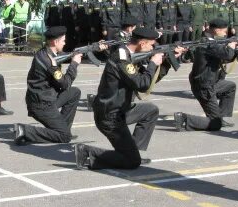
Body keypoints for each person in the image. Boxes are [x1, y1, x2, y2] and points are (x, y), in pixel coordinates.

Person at [74, 26, 184, 170]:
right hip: (109, 116)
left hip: (121, 110)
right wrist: (152, 63)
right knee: (132, 162)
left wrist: (167, 62)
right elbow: (142, 84)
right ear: (142, 43)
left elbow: (148, 79)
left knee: (150, 110)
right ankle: (88, 152)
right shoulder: (122, 58)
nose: (153, 47)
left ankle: (132, 151)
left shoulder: (130, 56)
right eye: (152, 44)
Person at [168, 18, 238, 131]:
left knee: (230, 87)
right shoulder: (208, 43)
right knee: (215, 125)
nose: (225, 34)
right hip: (204, 86)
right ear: (217, 30)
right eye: (224, 31)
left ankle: (220, 116)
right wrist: (231, 45)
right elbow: (227, 55)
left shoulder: (211, 41)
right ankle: (184, 119)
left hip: (210, 82)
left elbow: (223, 56)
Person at [13, 26, 82, 145]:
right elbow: (65, 84)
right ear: (55, 42)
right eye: (63, 41)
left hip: (45, 98)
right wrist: (74, 64)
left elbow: (64, 56)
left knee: (74, 93)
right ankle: (25, 131)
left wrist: (93, 48)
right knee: (64, 137)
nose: (65, 43)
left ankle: (62, 129)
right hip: (41, 104)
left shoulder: (46, 52)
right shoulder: (49, 61)